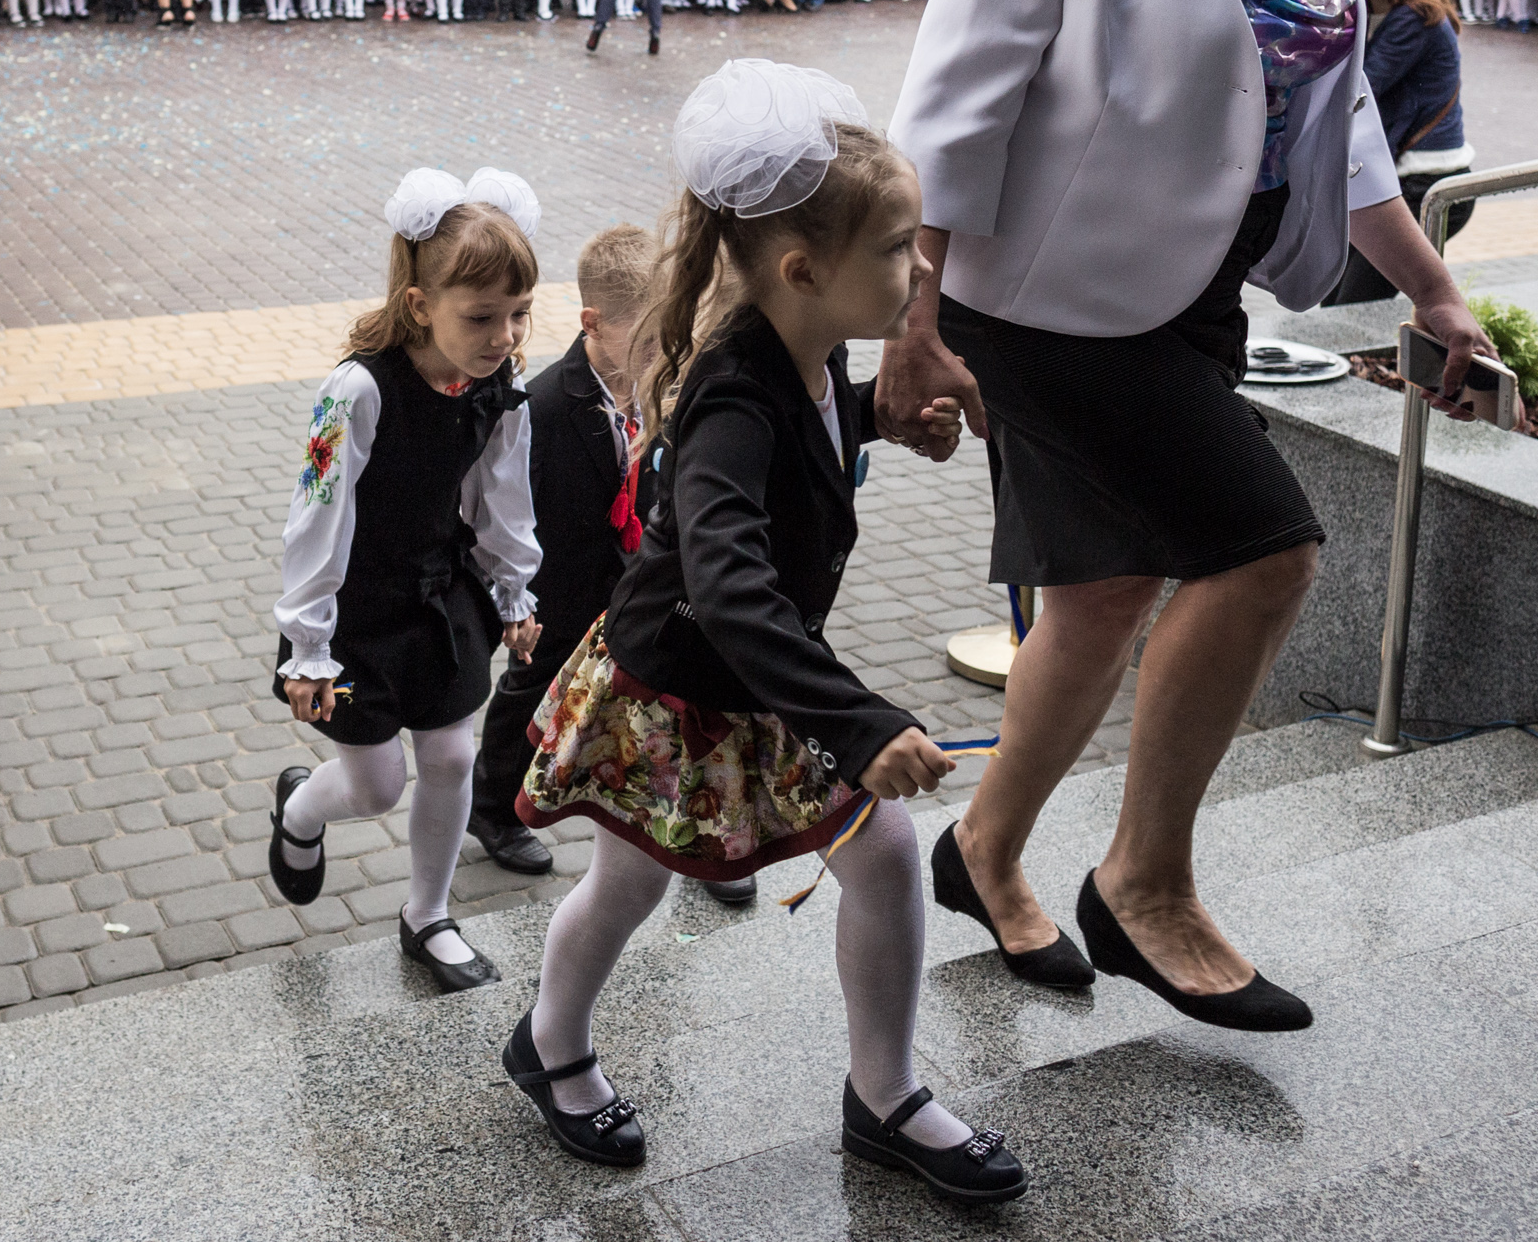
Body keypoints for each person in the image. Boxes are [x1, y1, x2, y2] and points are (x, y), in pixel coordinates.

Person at [875, 0, 1491, 1035]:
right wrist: (913, 314)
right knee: (1265, 551)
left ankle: (983, 848)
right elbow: (961, 89)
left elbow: (1333, 116)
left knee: (1097, 599)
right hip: (1048, 299)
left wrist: (1429, 288)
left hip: (1192, 290)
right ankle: (1142, 881)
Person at [508, 63, 1012, 1203]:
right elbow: (732, 584)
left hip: (765, 683)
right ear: (803, 269)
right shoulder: (737, 391)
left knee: (879, 853)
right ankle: (550, 1041)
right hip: (683, 690)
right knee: (627, 888)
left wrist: (880, 415)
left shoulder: (811, 348)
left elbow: (806, 452)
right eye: (895, 246)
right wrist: (861, 718)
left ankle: (885, 1095)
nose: (921, 263)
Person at [264, 168, 543, 997]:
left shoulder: (502, 390)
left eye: (520, 314)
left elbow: (503, 499)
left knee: (453, 755)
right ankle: (299, 811)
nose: (506, 335)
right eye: (482, 317)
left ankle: (428, 913)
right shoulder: (353, 392)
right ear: (420, 305)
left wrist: (514, 592)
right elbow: (316, 512)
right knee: (376, 785)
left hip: (440, 594)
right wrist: (307, 645)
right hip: (354, 607)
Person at [465, 225, 716, 885]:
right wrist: (510, 597)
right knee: (529, 689)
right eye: (653, 339)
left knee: (659, 692)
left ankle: (673, 814)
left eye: (676, 337)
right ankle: (490, 808)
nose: (668, 354)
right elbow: (507, 509)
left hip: (637, 582)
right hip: (561, 586)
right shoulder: (544, 406)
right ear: (593, 324)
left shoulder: (664, 392)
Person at [1327, 0, 1469, 303]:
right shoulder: (1374, 12)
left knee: (1352, 308)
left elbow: (1360, 85)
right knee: (1335, 301)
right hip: (1396, 180)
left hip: (1426, 184)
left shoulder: (1416, 16)